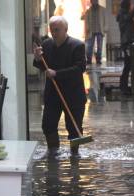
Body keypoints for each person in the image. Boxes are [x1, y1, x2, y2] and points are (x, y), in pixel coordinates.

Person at [33, 16, 87, 156]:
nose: (54, 33)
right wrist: (38, 58)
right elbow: (40, 65)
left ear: (65, 30)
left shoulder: (77, 46)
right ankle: (52, 151)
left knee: (74, 128)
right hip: (53, 94)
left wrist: (56, 73)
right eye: (52, 30)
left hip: (73, 95)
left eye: (57, 30)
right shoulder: (46, 45)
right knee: (48, 125)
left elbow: (79, 68)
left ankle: (75, 154)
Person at [117, 0, 134, 96]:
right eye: (130, 5)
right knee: (128, 66)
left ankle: (125, 87)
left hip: (128, 43)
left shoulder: (123, 14)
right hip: (127, 44)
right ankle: (124, 87)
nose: (131, 6)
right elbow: (130, 16)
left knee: (129, 65)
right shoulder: (123, 14)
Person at [81, 0, 106, 65]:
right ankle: (89, 59)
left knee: (99, 46)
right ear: (91, 2)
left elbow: (105, 19)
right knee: (89, 46)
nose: (94, 2)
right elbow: (82, 18)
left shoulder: (102, 9)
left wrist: (105, 28)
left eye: (95, 1)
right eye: (93, 1)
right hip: (91, 30)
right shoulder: (88, 11)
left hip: (100, 30)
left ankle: (98, 59)